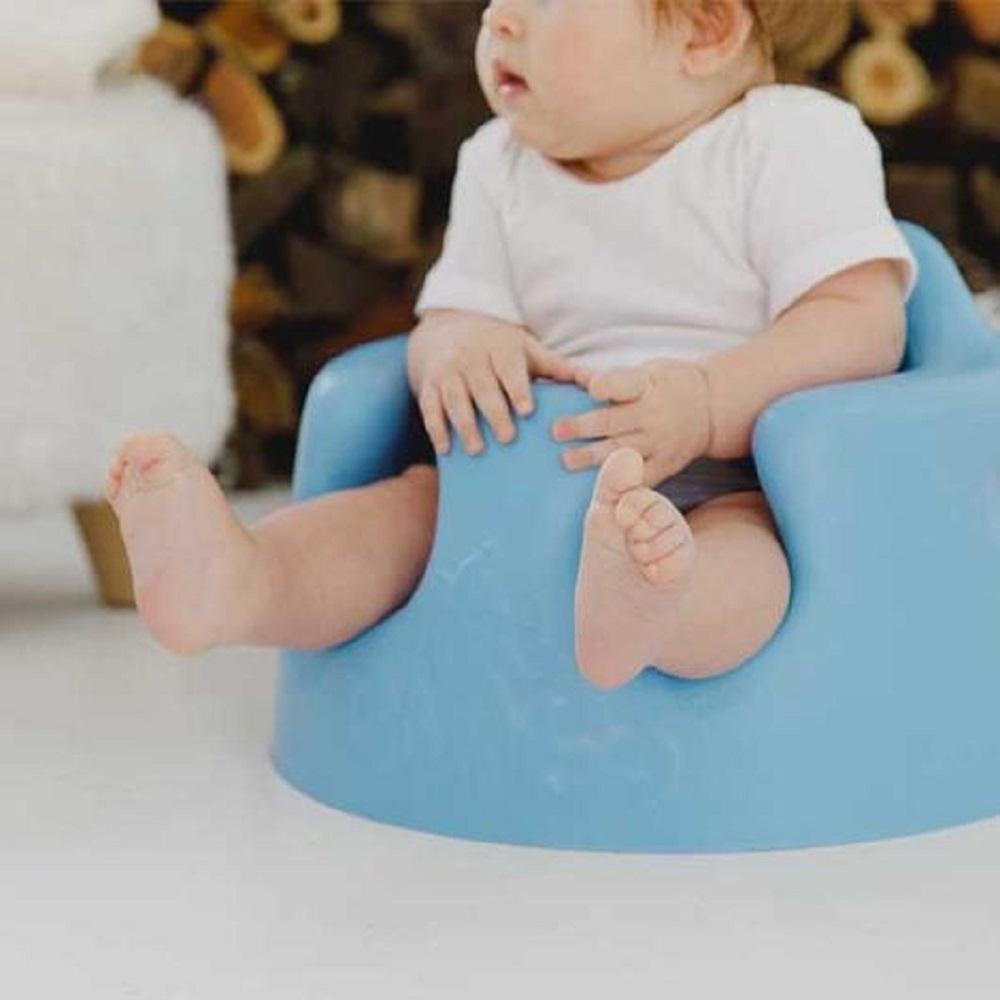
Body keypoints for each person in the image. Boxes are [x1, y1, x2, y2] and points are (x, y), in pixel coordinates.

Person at [105, 0, 917, 692]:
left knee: (750, 564)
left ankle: (655, 609)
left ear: (704, 31)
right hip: (516, 482)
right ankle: (240, 582)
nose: (498, 17)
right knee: (396, 517)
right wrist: (462, 344)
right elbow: (446, 322)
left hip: (725, 482)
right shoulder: (498, 163)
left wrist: (709, 404)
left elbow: (860, 322)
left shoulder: (789, 141)